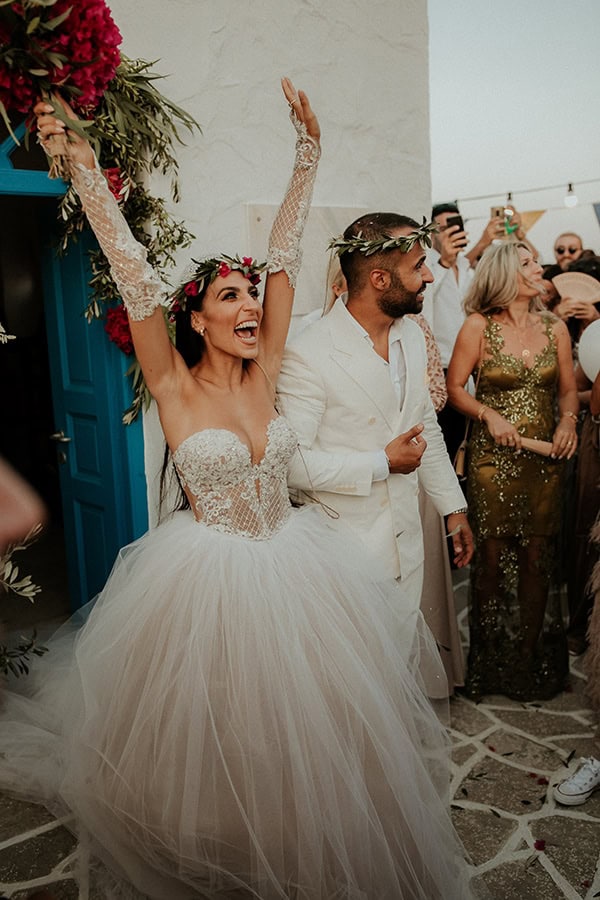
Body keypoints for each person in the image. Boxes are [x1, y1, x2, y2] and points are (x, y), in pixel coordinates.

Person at [0, 85, 476, 899]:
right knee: (225, 737)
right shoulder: (174, 386)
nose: (251, 304)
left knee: (312, 733)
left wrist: (307, 157)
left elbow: (286, 256)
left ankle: (300, 838)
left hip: (296, 562)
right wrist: (83, 174)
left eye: (252, 295)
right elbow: (133, 274)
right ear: (198, 320)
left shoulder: (266, 373)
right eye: (231, 297)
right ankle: (221, 846)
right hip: (209, 578)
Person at [277, 212, 473, 663]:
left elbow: (427, 432)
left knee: (397, 673)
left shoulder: (412, 338)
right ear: (380, 279)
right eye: (419, 266)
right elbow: (291, 465)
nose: (428, 276)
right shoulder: (308, 354)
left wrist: (453, 508)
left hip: (408, 548)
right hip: (345, 554)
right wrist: (381, 463)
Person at [447, 241, 578, 702]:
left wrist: (568, 421)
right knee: (490, 562)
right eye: (527, 262)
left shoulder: (556, 328)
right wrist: (488, 414)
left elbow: (567, 391)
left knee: (537, 560)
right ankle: (490, 666)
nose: (537, 266)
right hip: (491, 462)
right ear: (504, 273)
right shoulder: (477, 327)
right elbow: (454, 389)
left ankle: (528, 661)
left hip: (544, 461)